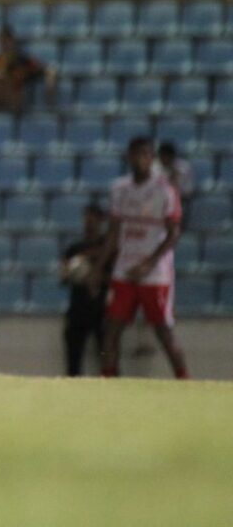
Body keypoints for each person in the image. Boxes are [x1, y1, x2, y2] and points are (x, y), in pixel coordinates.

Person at [100, 137, 189, 379]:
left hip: (155, 273)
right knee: (111, 330)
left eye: (147, 155)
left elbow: (173, 234)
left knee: (163, 332)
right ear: (129, 156)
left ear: (153, 158)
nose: (142, 159)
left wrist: (148, 262)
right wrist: (99, 267)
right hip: (124, 270)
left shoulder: (165, 190)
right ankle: (107, 383)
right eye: (137, 154)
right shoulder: (119, 189)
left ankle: (185, 382)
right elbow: (113, 233)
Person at [59, 202, 109, 377]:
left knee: (108, 356)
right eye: (87, 218)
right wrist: (74, 273)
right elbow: (63, 277)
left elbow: (115, 276)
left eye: (93, 218)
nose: (89, 222)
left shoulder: (107, 249)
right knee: (73, 360)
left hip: (102, 308)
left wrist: (96, 278)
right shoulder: (74, 249)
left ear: (101, 221)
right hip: (78, 307)